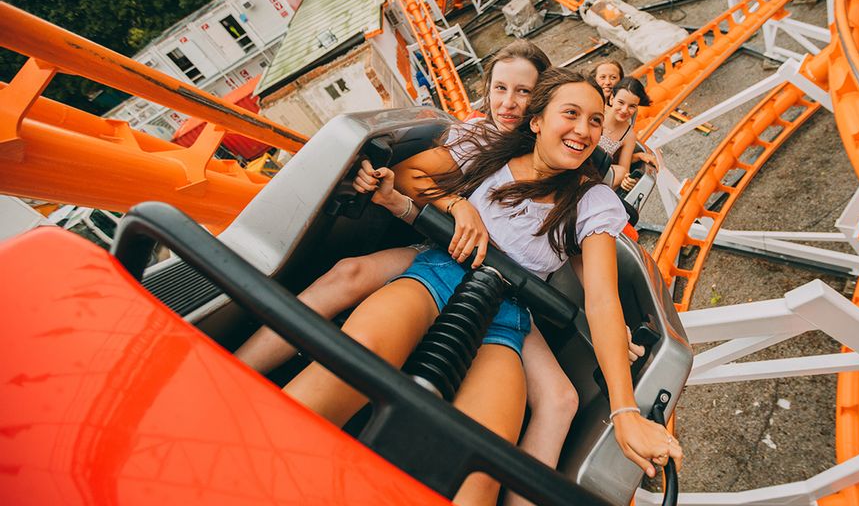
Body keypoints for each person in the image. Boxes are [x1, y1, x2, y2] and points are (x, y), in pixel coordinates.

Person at [283, 68, 682, 505]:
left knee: (480, 470)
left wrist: (625, 412)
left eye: (594, 120)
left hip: (508, 313)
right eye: (571, 114)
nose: (584, 130)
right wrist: (457, 207)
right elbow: (410, 176)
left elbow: (603, 300)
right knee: (351, 365)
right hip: (440, 270)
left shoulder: (593, 201)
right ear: (537, 121)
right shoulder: (492, 155)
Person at [233, 41, 588, 502]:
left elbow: (582, 243)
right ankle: (238, 369)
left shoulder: (561, 161)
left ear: (543, 101)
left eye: (524, 91)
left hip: (510, 288)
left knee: (559, 399)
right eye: (500, 88)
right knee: (350, 274)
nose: (509, 102)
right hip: (445, 252)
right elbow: (410, 177)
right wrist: (459, 206)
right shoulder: (478, 138)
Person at [599, 76, 649, 190]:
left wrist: (627, 180)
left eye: (632, 106)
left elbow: (623, 171)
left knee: (620, 172)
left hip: (596, 172)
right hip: (576, 157)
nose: (624, 110)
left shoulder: (629, 135)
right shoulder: (598, 110)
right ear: (612, 99)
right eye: (621, 102)